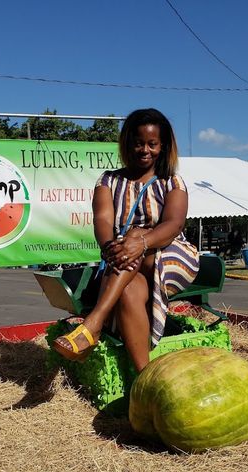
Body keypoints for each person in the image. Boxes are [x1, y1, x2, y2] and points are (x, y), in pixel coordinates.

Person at [52, 108, 199, 373]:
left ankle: (93, 323)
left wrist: (140, 242)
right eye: (138, 143)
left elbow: (174, 224)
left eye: (152, 144)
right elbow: (103, 220)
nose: (145, 149)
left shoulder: (172, 181)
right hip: (124, 262)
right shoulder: (108, 180)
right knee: (129, 291)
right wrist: (110, 246)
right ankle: (145, 377)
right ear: (128, 143)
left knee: (134, 235)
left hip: (170, 255)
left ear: (162, 146)